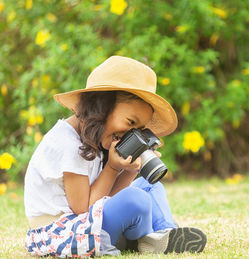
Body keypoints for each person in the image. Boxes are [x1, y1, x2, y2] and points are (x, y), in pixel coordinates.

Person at [23, 56, 207, 257]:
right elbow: (83, 210)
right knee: (136, 199)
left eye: (139, 129)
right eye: (130, 123)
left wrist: (131, 169)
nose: (131, 135)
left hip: (91, 225)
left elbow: (105, 199)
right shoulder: (68, 143)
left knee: (149, 186)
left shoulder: (93, 138)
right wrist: (113, 168)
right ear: (101, 107)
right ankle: (145, 239)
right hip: (62, 232)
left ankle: (166, 233)